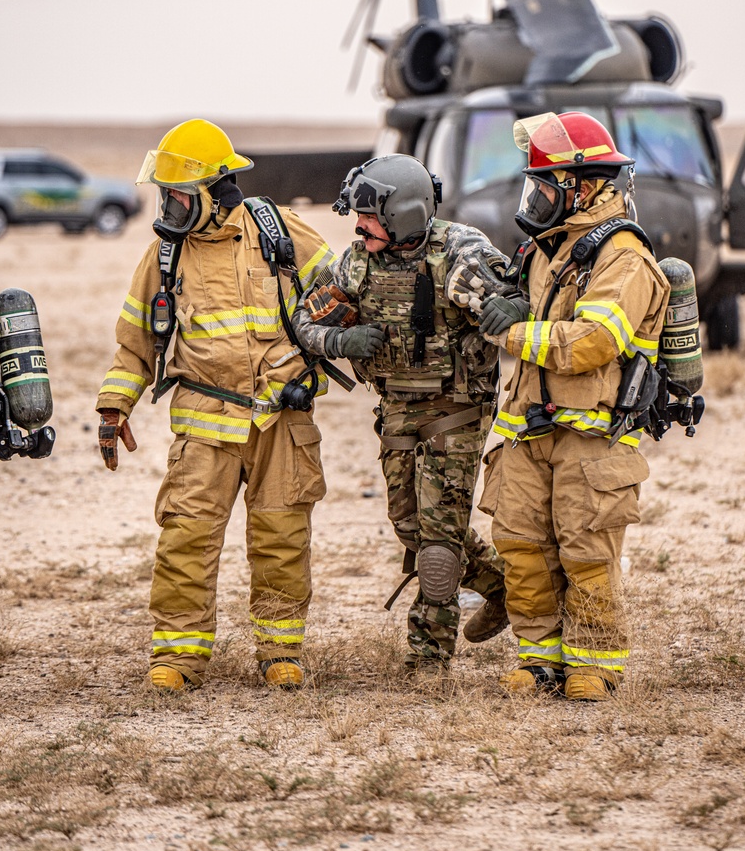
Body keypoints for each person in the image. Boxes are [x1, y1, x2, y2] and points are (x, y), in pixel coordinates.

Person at [96, 119, 336, 692]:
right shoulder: (164, 255)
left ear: (214, 191)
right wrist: (114, 406)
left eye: (178, 195)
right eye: (166, 195)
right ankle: (177, 659)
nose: (169, 207)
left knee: (281, 540)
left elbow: (341, 294)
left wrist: (312, 354)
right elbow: (136, 342)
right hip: (204, 425)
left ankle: (280, 653)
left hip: (282, 418)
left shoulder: (282, 233)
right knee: (186, 538)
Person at [476, 112, 670, 701]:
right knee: (523, 548)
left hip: (593, 438)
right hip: (529, 434)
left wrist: (512, 333)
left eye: (543, 186)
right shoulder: (546, 249)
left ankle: (592, 664)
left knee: (587, 552)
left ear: (580, 186)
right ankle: (539, 662)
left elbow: (593, 342)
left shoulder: (623, 256)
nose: (533, 198)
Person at [294, 154, 510, 672]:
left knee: (437, 546)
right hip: (396, 409)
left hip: (456, 409)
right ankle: (503, 585)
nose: (358, 226)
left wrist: (511, 307)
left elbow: (519, 304)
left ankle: (428, 661)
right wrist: (340, 338)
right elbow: (305, 319)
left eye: (368, 217)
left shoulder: (463, 253)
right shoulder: (356, 261)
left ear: (403, 215)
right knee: (409, 524)